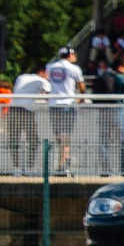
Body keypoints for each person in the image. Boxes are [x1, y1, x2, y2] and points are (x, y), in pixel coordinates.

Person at [43, 45, 83, 175]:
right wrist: (79, 98)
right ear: (70, 55)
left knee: (58, 134)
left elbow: (46, 83)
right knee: (66, 134)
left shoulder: (50, 67)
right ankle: (65, 160)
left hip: (54, 104)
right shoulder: (74, 68)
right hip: (67, 104)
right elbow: (82, 87)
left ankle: (63, 160)